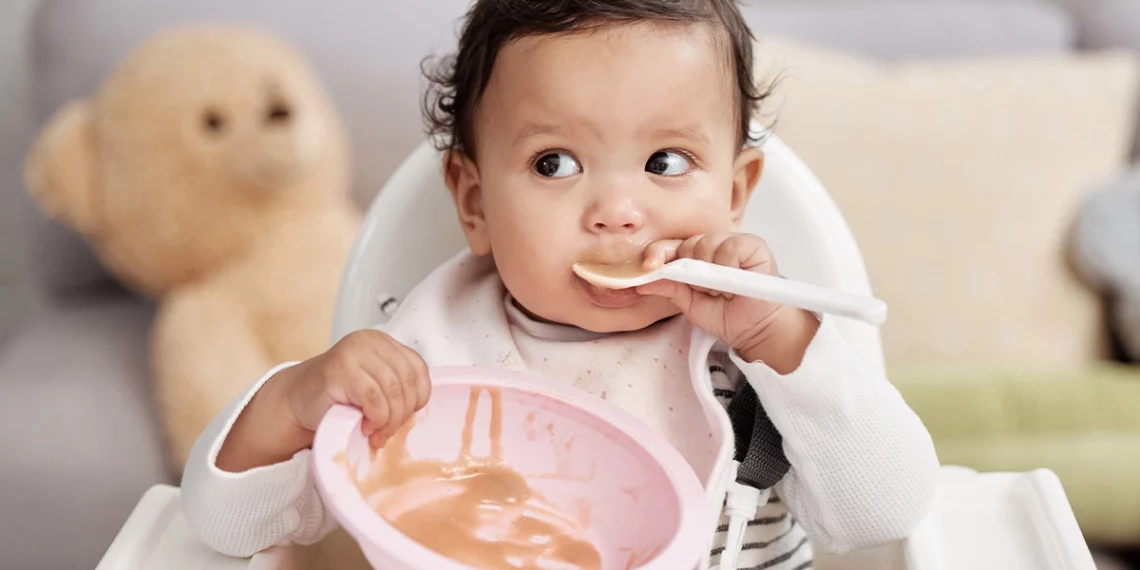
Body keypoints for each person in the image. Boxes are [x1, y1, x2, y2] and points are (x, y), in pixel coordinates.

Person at [182, 1, 940, 568]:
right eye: (555, 164)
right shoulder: (429, 346)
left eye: (666, 163)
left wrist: (780, 342)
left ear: (737, 190)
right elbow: (231, 527)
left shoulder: (757, 341)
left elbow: (884, 511)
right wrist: (292, 401)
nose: (617, 211)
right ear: (475, 202)